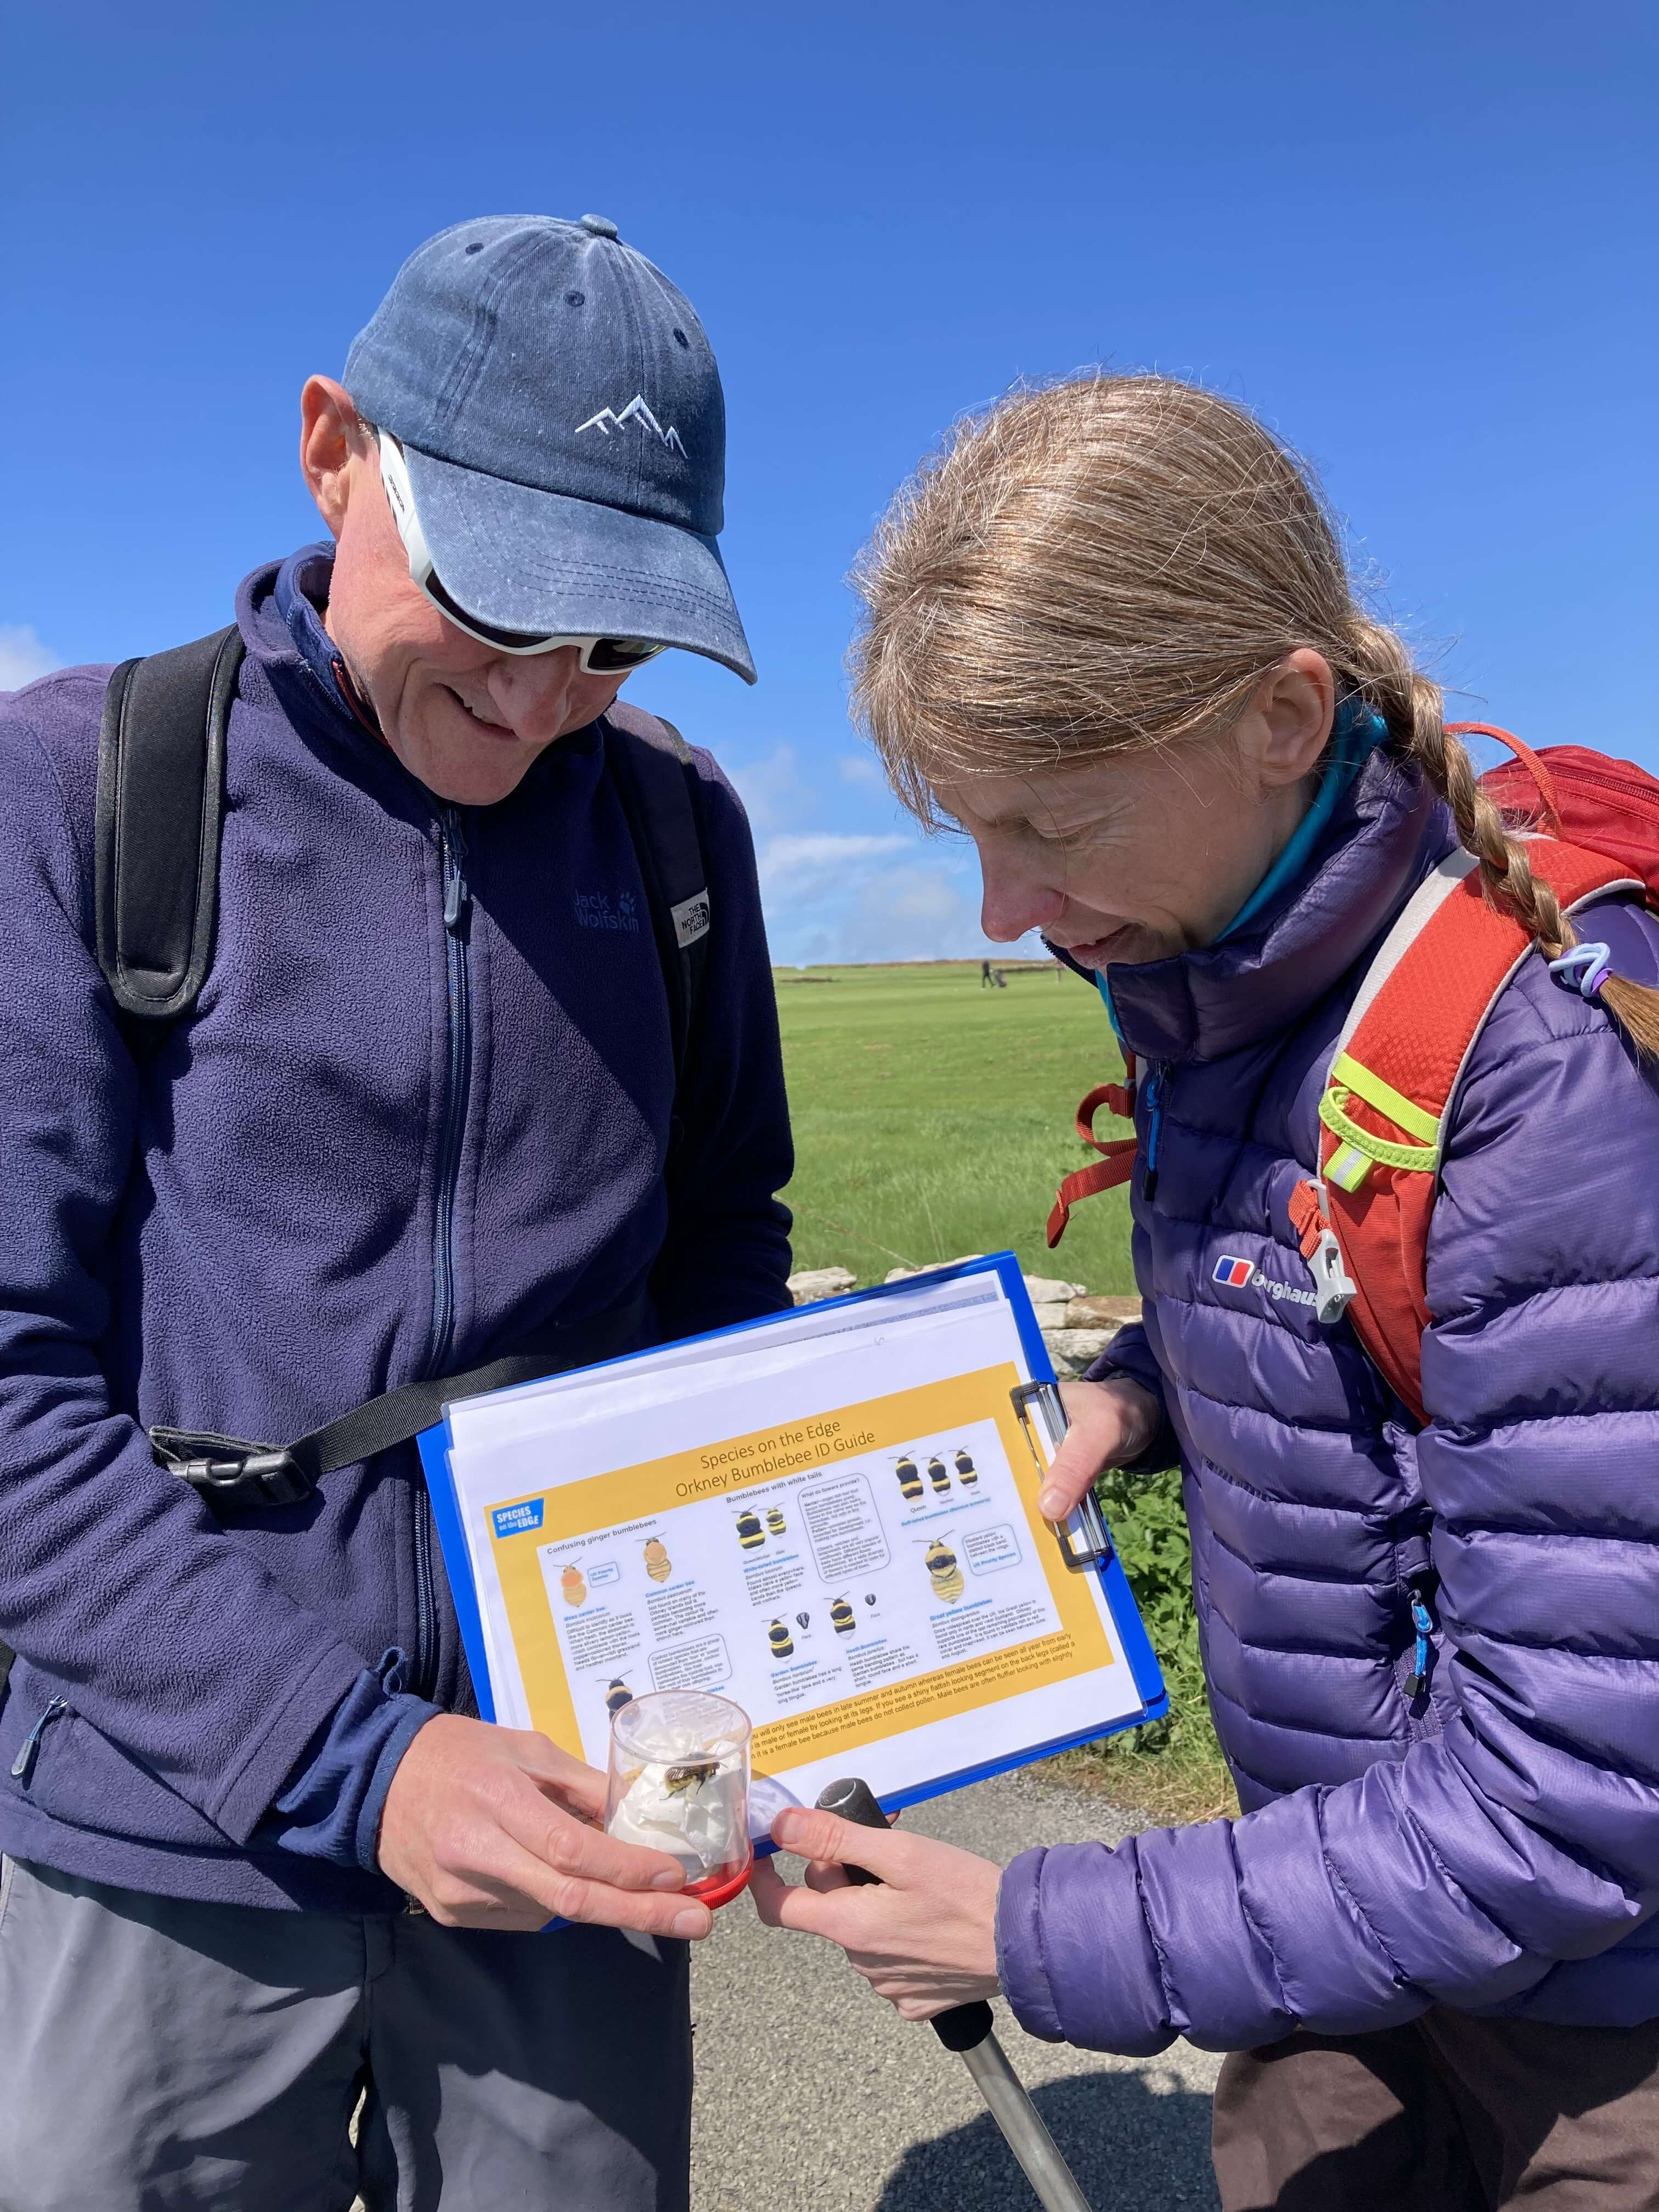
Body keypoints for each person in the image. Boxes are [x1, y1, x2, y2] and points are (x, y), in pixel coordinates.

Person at [752, 374, 1659, 2208]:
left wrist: (1038, 1930)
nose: (1006, 908)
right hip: (1332, 1943)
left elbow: (1573, 1794)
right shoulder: (1223, 987)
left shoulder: (1540, 1078)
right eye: (968, 834)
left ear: (1282, 716)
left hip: (1595, 2029)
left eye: (1054, 826)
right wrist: (1150, 1389)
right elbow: (1338, 1292)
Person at [0, 215, 792, 2211]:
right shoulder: (76, 791)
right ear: (335, 449)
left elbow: (723, 1257)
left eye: (612, 642)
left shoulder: (681, 831)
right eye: (501, 603)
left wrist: (783, 1637)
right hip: (166, 1820)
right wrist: (354, 1765)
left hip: (570, 1829)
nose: (542, 704)